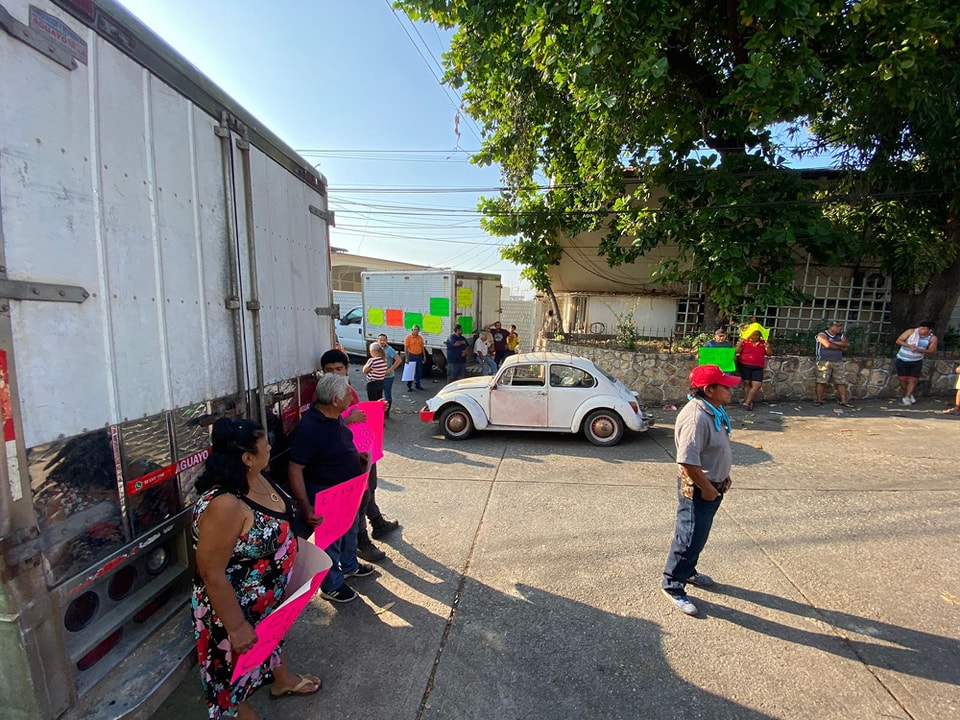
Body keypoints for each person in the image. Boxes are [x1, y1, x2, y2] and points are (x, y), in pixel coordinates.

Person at [192, 417, 320, 719]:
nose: (272, 447)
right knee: (228, 676)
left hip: (264, 601)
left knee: (270, 642)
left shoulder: (258, 475)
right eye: (265, 445)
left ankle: (282, 681)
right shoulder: (224, 505)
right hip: (232, 608)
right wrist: (236, 627)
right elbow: (211, 572)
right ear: (247, 458)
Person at [288, 373, 375, 603]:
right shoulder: (310, 429)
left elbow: (337, 442)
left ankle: (350, 565)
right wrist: (306, 507)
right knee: (330, 542)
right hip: (327, 494)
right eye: (347, 394)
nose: (351, 397)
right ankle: (331, 585)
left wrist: (357, 457)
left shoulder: (334, 416)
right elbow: (295, 469)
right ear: (335, 400)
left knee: (349, 531)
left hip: (348, 490)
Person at [661, 365, 741, 616]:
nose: (730, 389)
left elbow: (713, 450)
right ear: (709, 389)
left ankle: (689, 571)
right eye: (725, 386)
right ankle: (673, 585)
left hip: (712, 486)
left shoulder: (712, 409)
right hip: (699, 488)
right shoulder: (695, 417)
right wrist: (707, 488)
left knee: (698, 535)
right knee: (689, 535)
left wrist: (722, 476)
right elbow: (687, 461)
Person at [320, 350, 399, 561]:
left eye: (339, 369)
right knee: (359, 498)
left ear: (346, 369)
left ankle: (377, 522)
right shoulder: (324, 394)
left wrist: (378, 408)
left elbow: (359, 412)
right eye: (329, 370)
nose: (335, 373)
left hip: (362, 450)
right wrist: (348, 419)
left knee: (369, 489)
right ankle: (361, 542)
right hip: (346, 457)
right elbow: (325, 425)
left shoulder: (349, 390)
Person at [894, 321, 938, 405]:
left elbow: (932, 350)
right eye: (920, 328)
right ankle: (908, 393)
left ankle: (907, 397)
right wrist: (909, 346)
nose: (921, 330)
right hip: (903, 359)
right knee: (902, 379)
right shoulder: (911, 332)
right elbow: (899, 341)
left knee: (913, 379)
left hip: (916, 360)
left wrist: (920, 350)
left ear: (929, 331)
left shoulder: (932, 338)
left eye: (924, 329)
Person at [734, 322, 771, 411]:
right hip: (745, 365)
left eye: (756, 335)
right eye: (753, 334)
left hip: (758, 366)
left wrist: (768, 347)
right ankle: (749, 403)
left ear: (759, 335)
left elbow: (769, 354)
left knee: (757, 385)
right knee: (747, 383)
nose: (754, 336)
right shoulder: (745, 342)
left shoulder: (763, 343)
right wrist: (740, 343)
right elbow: (736, 352)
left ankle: (747, 402)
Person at [814, 321, 852, 407]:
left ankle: (844, 401)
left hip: (838, 361)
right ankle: (819, 400)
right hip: (824, 361)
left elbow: (846, 345)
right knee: (821, 380)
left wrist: (833, 342)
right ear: (830, 327)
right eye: (837, 326)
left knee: (841, 381)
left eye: (840, 326)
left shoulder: (841, 335)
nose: (840, 328)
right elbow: (827, 345)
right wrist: (840, 347)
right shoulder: (822, 335)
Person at [377, 333, 401, 417]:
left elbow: (398, 360)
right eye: (381, 340)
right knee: (378, 394)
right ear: (378, 340)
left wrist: (390, 369)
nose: (382, 342)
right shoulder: (376, 349)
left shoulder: (389, 349)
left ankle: (387, 413)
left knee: (387, 394)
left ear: (386, 341)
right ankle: (379, 411)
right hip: (378, 376)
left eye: (384, 340)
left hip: (388, 377)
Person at [404, 325, 425, 391]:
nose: (416, 331)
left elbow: (422, 347)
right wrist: (406, 358)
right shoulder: (409, 338)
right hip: (411, 355)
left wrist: (424, 356)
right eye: (414, 329)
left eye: (417, 330)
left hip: (419, 356)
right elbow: (406, 348)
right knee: (411, 372)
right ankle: (409, 385)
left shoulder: (420, 338)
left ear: (419, 331)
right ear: (412, 330)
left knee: (419, 371)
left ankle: (417, 385)